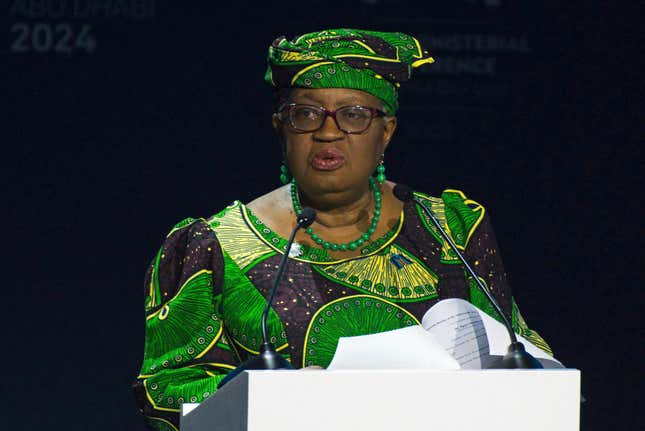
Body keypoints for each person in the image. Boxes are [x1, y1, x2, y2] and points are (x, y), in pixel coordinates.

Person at [132, 29, 551, 431]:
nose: (328, 131)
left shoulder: (451, 230)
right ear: (282, 129)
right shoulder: (212, 247)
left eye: (353, 115)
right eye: (306, 114)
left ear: (385, 132)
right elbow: (169, 396)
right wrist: (273, 396)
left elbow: (519, 354)